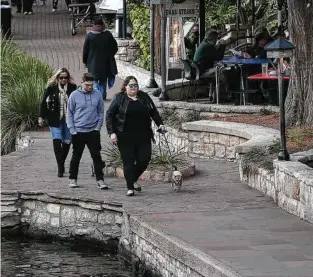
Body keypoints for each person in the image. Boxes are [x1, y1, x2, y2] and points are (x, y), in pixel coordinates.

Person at [106, 76, 165, 196]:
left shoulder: (144, 97)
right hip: (125, 136)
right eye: (131, 86)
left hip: (143, 135)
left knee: (144, 159)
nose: (134, 88)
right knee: (128, 161)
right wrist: (112, 132)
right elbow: (109, 115)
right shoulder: (119, 98)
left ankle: (132, 179)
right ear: (125, 86)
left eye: (136, 85)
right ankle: (130, 188)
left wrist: (160, 124)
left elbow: (153, 111)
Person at [66, 73, 108, 189]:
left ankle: (100, 180)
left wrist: (97, 128)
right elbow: (69, 113)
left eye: (91, 85)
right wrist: (72, 130)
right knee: (76, 156)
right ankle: (72, 179)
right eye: (87, 85)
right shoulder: (74, 95)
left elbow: (100, 112)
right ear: (82, 83)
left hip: (93, 131)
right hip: (78, 131)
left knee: (96, 156)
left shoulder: (97, 94)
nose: (89, 87)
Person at [39, 68, 77, 177]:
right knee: (57, 141)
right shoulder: (51, 88)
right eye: (61, 77)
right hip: (55, 119)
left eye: (66, 77)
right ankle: (60, 168)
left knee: (66, 142)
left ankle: (61, 163)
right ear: (57, 78)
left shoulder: (73, 88)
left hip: (69, 120)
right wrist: (41, 117)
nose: (64, 80)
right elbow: (43, 103)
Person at [83, 18, 118, 100]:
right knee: (103, 80)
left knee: (94, 80)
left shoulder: (90, 36)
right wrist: (110, 55)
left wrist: (85, 61)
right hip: (105, 63)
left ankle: (96, 96)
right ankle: (102, 96)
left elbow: (85, 51)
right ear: (102, 25)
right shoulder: (108, 35)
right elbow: (114, 47)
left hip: (92, 63)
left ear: (94, 25)